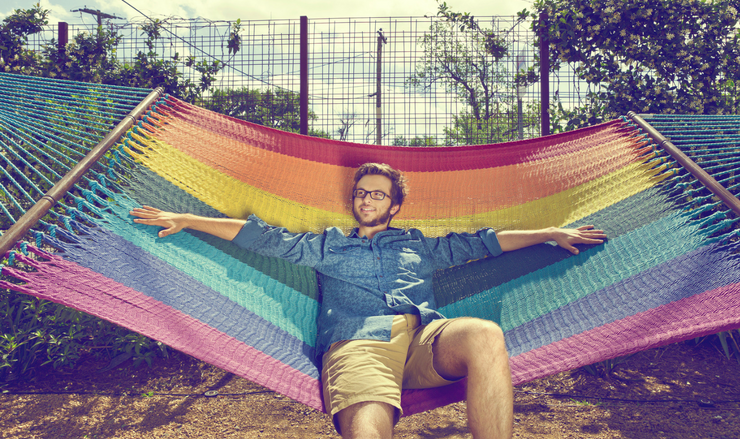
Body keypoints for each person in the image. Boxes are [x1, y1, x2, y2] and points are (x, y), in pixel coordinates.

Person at [130, 162, 605, 439]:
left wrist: (549, 233)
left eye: (378, 194)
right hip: (359, 342)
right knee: (368, 431)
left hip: (424, 335)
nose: (367, 199)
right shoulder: (327, 246)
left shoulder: (418, 244)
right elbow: (261, 239)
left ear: (395, 205)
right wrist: (189, 219)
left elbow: (484, 243)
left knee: (484, 334)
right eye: (362, 193)